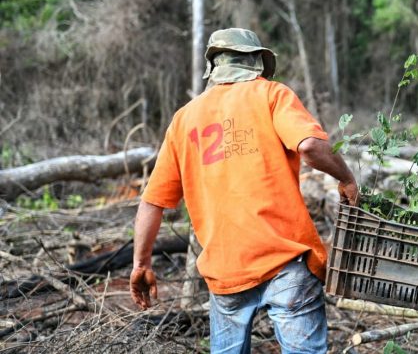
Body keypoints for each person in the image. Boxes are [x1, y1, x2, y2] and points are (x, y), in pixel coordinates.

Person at [129, 28, 358, 354]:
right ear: (257, 62)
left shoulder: (184, 119)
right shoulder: (272, 95)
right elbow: (308, 146)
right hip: (286, 263)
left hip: (226, 273)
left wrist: (141, 264)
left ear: (214, 67)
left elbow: (152, 201)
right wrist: (347, 177)